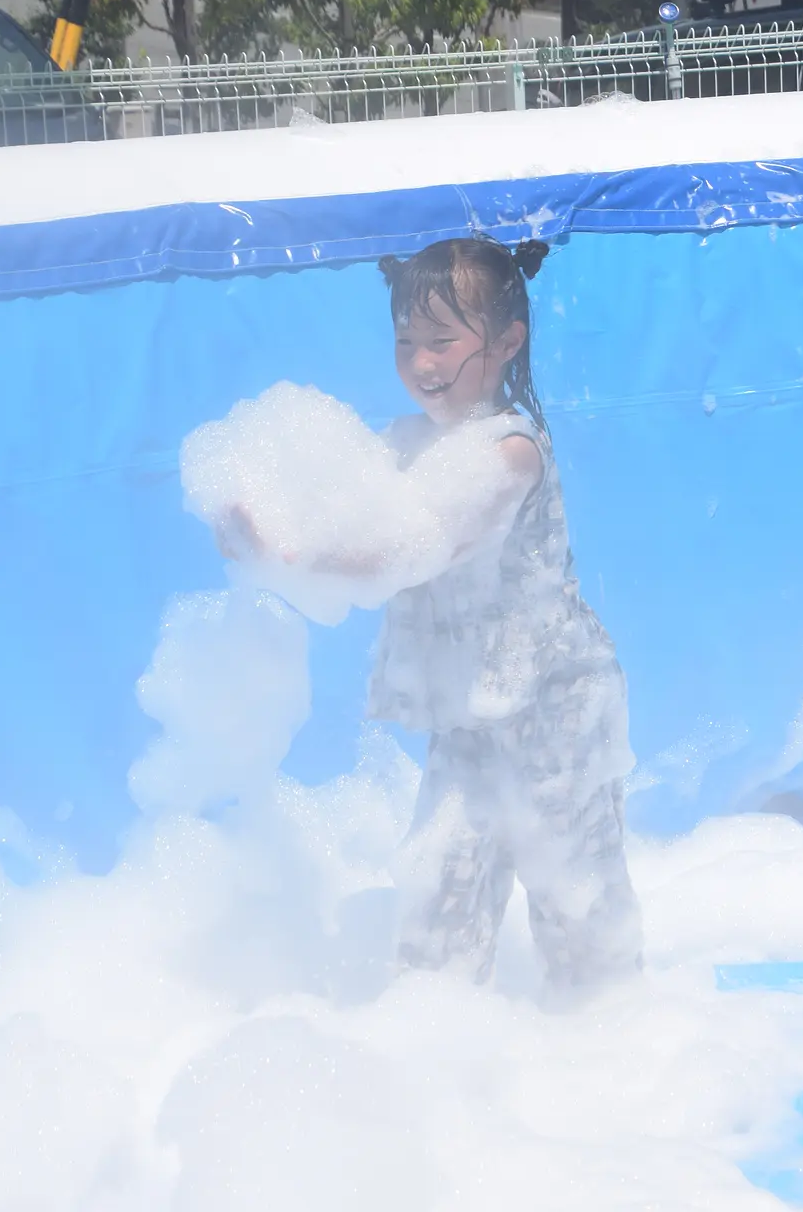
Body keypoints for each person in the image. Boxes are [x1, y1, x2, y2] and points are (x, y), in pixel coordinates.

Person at [217, 237, 644, 991]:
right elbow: (351, 520)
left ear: (506, 342)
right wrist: (267, 531)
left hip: (555, 708)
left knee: (576, 899)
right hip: (469, 714)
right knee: (439, 900)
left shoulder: (511, 453)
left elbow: (415, 544)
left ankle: (607, 1030)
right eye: (405, 341)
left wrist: (293, 556)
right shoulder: (408, 444)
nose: (420, 362)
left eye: (442, 340)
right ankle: (437, 1036)